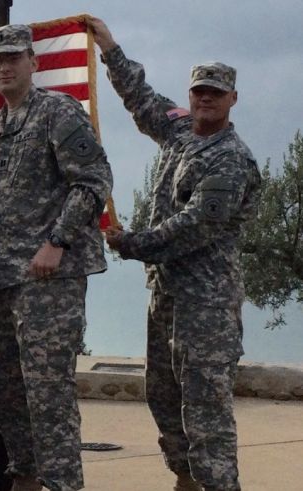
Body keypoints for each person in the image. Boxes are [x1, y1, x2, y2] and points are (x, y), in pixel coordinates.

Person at [89, 18, 262, 491]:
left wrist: (131, 243)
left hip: (206, 304)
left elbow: (194, 228)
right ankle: (185, 479)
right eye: (198, 92)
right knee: (163, 396)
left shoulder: (230, 157)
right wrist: (109, 49)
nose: (205, 99)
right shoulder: (181, 132)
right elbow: (142, 101)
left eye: (215, 92)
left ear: (232, 99)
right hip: (165, 294)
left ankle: (219, 485)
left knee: (206, 409)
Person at [0, 24, 113, 491]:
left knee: (48, 392)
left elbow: (94, 181)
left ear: (33, 63)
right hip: (8, 278)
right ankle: (26, 476)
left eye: (14, 57)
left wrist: (56, 242)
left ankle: (62, 484)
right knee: (9, 388)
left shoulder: (57, 111)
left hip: (50, 277)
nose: (5, 66)